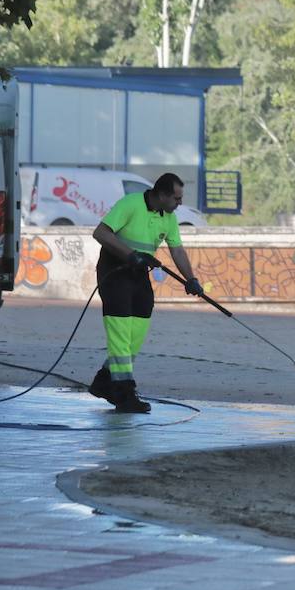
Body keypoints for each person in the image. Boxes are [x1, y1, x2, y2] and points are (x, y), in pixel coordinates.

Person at [87, 173, 204, 413]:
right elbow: (100, 233)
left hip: (138, 274)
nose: (179, 204)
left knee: (137, 328)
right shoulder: (130, 204)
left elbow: (177, 250)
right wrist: (130, 255)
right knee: (120, 332)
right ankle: (124, 393)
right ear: (161, 195)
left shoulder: (168, 218)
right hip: (114, 271)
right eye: (176, 198)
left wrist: (191, 279)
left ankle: (104, 381)